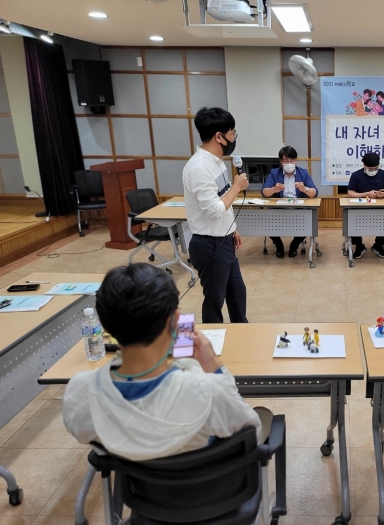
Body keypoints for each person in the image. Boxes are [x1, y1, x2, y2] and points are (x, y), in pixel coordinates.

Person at [63, 263, 272, 461]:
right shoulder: (210, 391)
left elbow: (83, 432)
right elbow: (250, 431)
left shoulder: (80, 392)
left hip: (139, 493)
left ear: (105, 329)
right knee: (264, 416)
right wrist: (215, 368)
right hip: (209, 492)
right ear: (174, 321)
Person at [183, 107, 248, 324]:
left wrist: (232, 228)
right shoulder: (199, 168)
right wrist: (237, 187)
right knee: (214, 300)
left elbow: (223, 201)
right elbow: (214, 209)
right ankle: (214, 344)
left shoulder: (217, 161)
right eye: (233, 134)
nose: (234, 138)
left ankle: (242, 333)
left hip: (224, 239)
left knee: (237, 293)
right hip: (209, 244)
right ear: (219, 137)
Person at [261, 146, 319, 258]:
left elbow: (314, 192)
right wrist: (274, 189)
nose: (289, 163)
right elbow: (264, 192)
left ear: (296, 160)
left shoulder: (303, 173)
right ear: (280, 161)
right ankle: (279, 245)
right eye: (285, 161)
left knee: (308, 222)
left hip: (299, 208)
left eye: (292, 160)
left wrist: (304, 189)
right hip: (278, 208)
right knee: (268, 222)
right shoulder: (274, 173)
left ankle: (294, 245)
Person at [347, 152, 384, 259]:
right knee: (352, 220)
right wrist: (366, 194)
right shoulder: (356, 175)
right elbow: (350, 193)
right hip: (359, 209)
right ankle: (359, 246)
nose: (373, 170)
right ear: (364, 165)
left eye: (375, 168)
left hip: (380, 209)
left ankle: (378, 246)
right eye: (370, 168)